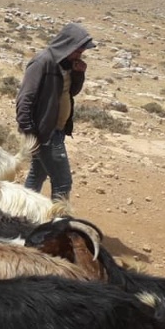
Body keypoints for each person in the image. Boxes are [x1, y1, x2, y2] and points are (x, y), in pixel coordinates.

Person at [15, 22, 96, 202]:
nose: (79, 55)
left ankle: (23, 214)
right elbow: (25, 98)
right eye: (78, 51)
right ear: (67, 45)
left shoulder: (66, 64)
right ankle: (58, 224)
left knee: (37, 174)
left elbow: (70, 92)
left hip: (55, 130)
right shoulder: (42, 62)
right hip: (45, 133)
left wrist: (78, 74)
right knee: (63, 182)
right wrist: (29, 131)